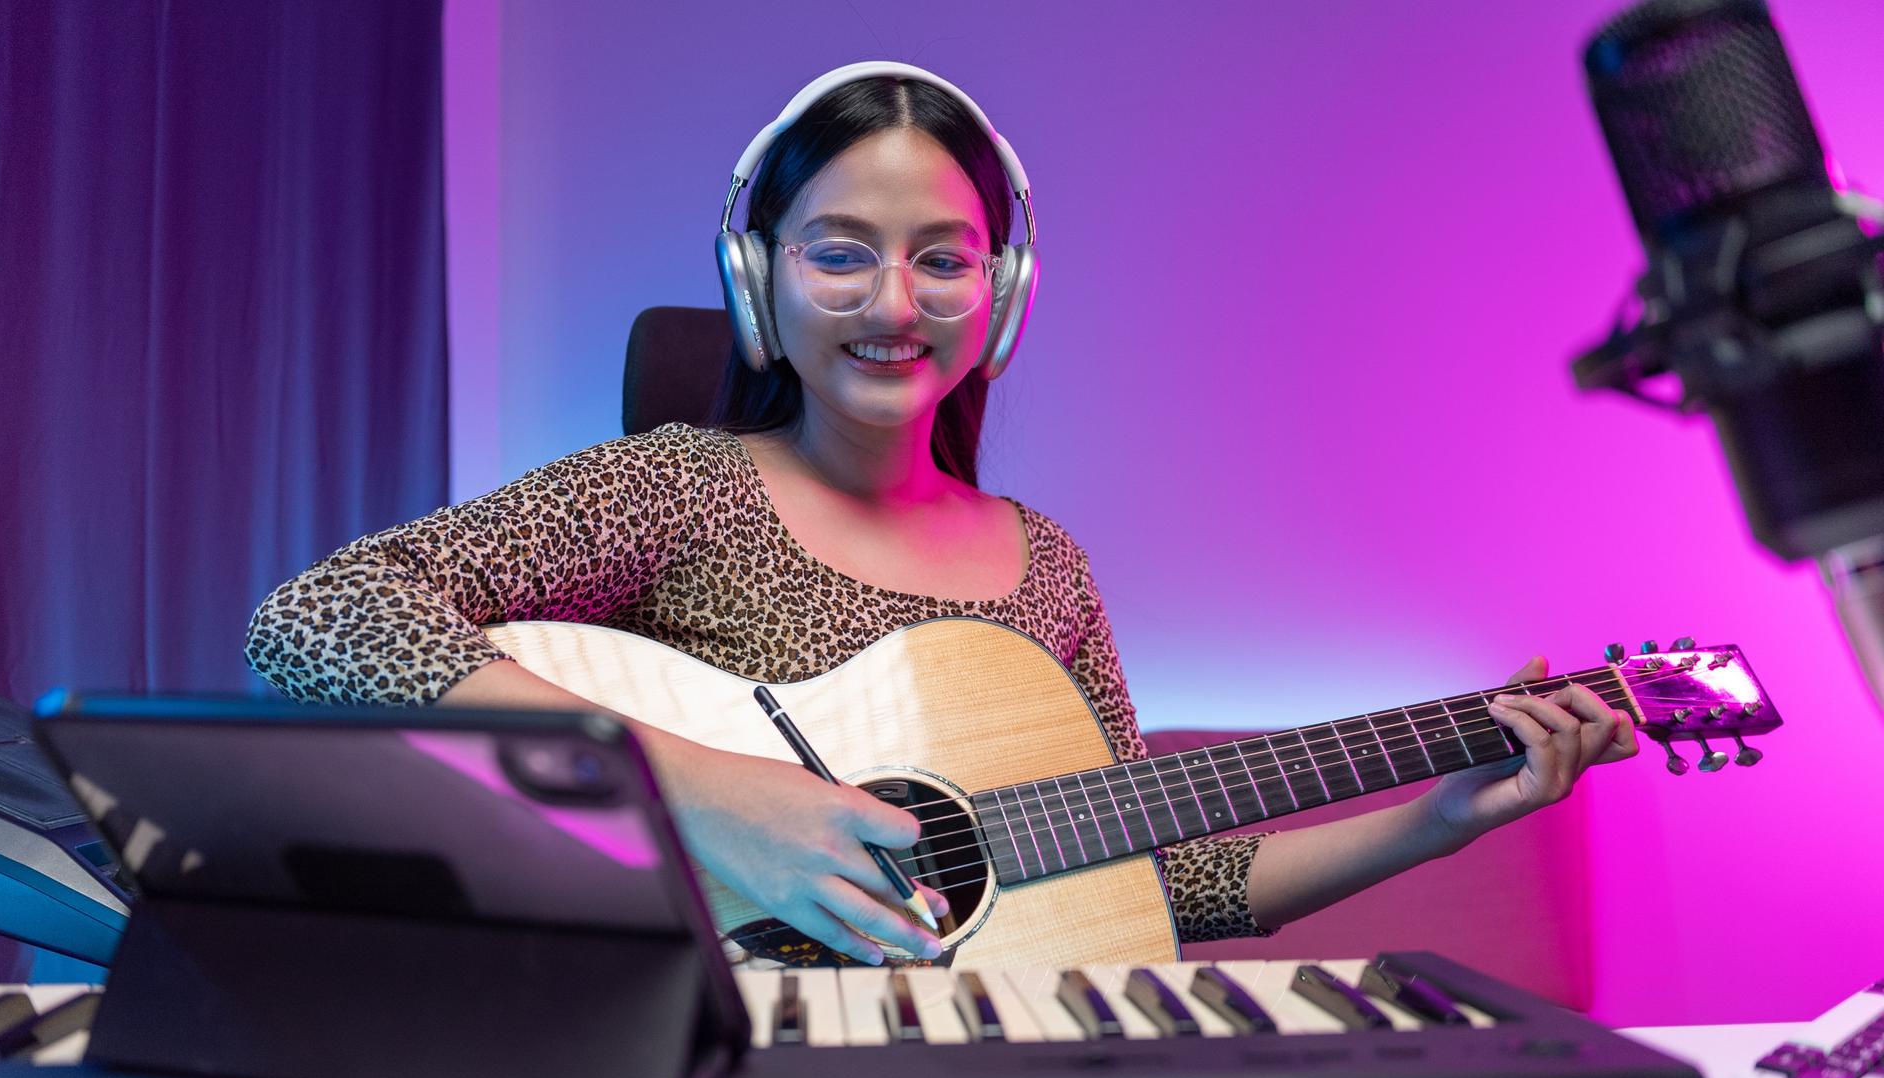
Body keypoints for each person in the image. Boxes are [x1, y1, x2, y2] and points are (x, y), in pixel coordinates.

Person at [245, 65, 1638, 968]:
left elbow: (1165, 882)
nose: (895, 304)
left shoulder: (1048, 567)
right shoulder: (683, 483)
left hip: (966, 1076)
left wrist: (1446, 815)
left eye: (942, 258)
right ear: (761, 282)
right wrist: (706, 792)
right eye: (841, 253)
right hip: (702, 1067)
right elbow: (318, 621)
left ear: (1002, 291)